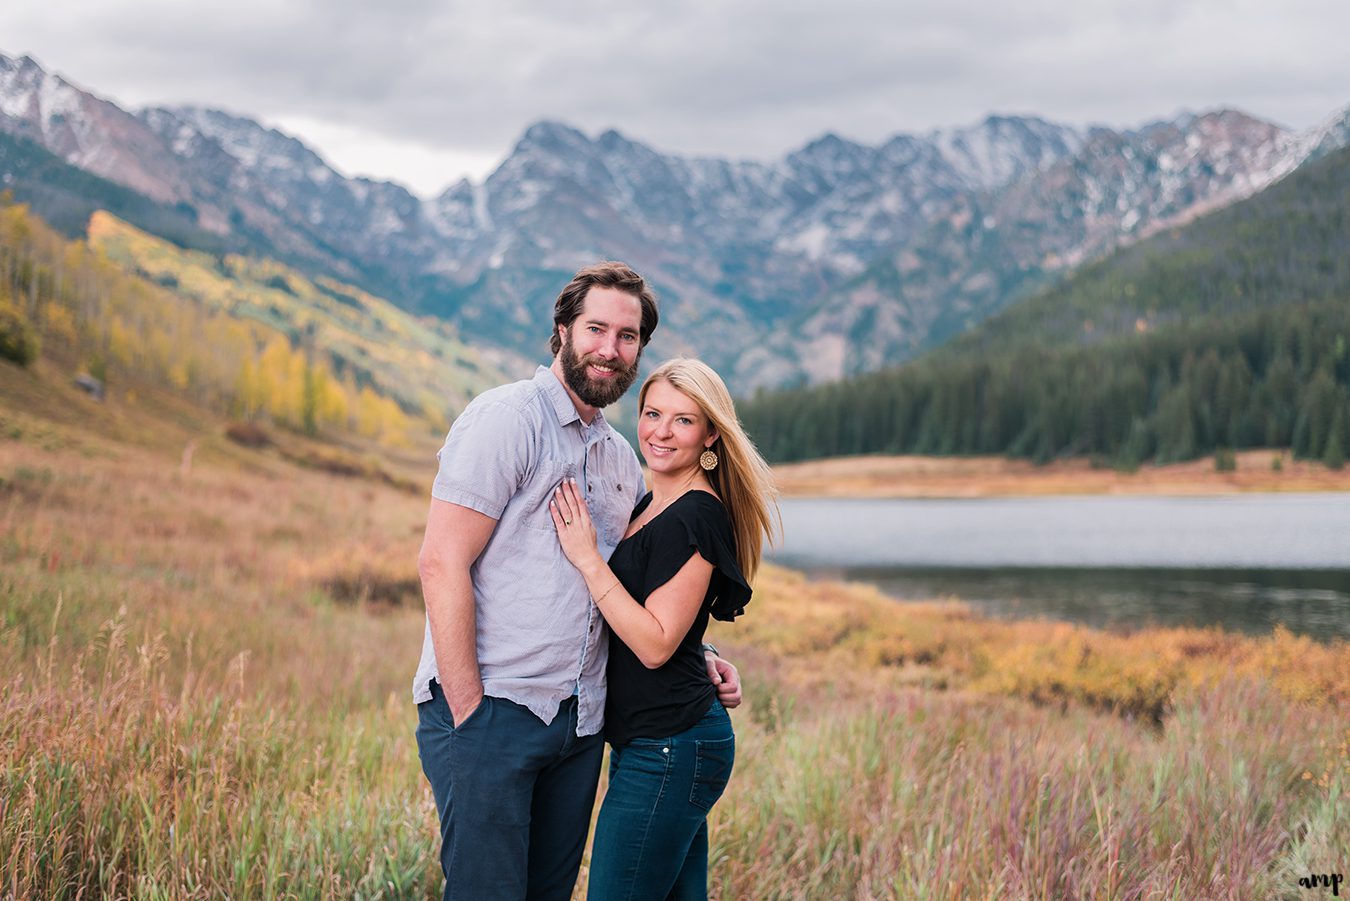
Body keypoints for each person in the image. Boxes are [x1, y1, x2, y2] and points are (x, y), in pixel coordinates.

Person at [412, 262, 743, 901]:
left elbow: (633, 590)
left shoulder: (623, 459)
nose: (609, 348)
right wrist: (469, 715)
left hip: (581, 728)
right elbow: (440, 562)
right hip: (494, 712)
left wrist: (695, 651)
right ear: (562, 329)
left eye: (627, 336)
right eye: (596, 328)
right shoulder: (507, 419)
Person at [550, 357, 778, 901]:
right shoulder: (654, 503)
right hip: (657, 742)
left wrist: (587, 559)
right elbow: (674, 620)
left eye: (683, 420)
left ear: (710, 436)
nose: (660, 431)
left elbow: (654, 645)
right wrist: (706, 651)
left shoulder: (696, 514)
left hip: (671, 747)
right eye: (653, 413)